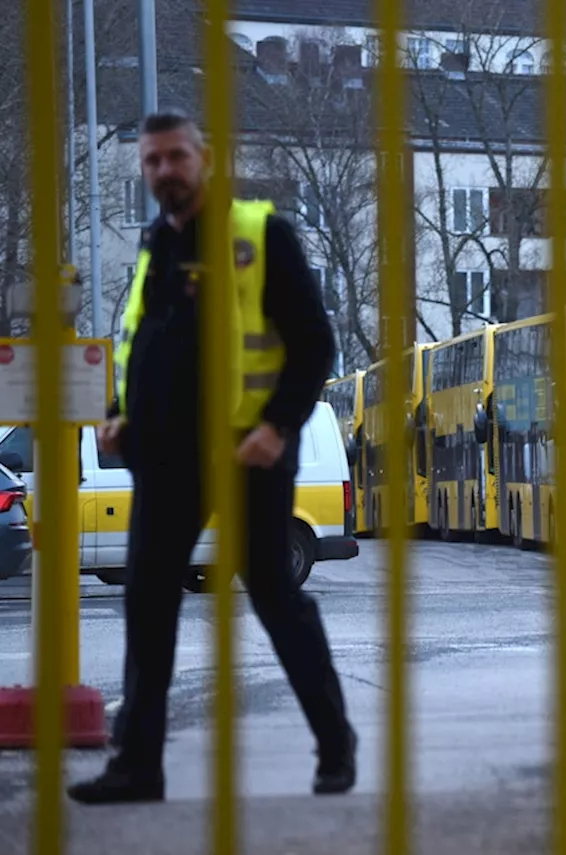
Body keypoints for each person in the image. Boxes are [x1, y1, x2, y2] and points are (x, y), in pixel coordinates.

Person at [67, 109, 356, 804]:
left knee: (274, 594)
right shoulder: (153, 245)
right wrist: (115, 417)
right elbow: (140, 346)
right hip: (164, 457)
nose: (163, 170)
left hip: (250, 449)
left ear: (206, 157)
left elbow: (314, 342)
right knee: (147, 600)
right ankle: (138, 765)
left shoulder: (260, 236)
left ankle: (334, 740)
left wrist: (279, 426)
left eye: (175, 156)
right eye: (152, 161)